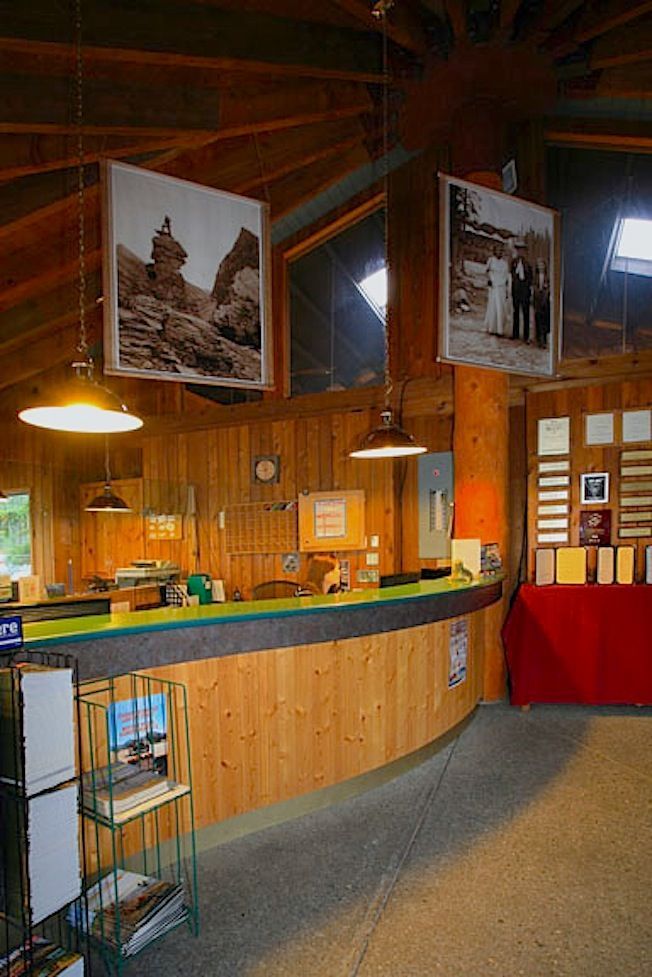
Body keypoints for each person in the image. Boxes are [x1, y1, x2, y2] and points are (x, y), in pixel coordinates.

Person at [483, 243, 510, 337]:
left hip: (501, 287)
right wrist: (489, 280)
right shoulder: (491, 260)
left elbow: (506, 276)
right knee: (493, 306)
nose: (499, 252)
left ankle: (499, 329)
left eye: (501, 251)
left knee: (501, 307)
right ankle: (491, 327)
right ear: (495, 251)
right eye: (498, 250)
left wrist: (507, 289)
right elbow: (486, 271)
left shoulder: (504, 263)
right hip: (494, 287)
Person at [510, 239, 533, 342]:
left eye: (522, 250)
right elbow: (512, 276)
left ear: (524, 251)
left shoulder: (528, 264)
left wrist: (529, 291)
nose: (520, 252)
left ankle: (526, 336)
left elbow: (530, 279)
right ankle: (515, 334)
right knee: (515, 312)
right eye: (518, 250)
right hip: (516, 291)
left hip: (525, 292)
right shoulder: (513, 262)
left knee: (525, 313)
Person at [533, 257, 550, 349]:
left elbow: (548, 288)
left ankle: (544, 340)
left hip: (545, 301)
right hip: (537, 300)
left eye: (542, 265)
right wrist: (537, 292)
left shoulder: (547, 277)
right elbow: (534, 286)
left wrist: (545, 294)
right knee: (537, 319)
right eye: (539, 265)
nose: (540, 267)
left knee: (544, 321)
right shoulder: (535, 276)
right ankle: (538, 339)